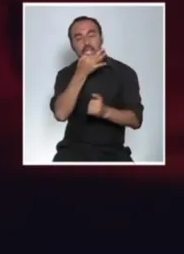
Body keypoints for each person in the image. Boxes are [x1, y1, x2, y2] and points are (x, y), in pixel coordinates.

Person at [49, 16, 144, 162]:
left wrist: (104, 111)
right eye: (78, 38)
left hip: (114, 153)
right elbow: (61, 114)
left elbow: (136, 120)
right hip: (72, 151)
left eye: (91, 35)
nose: (86, 42)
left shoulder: (124, 72)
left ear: (101, 38)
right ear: (72, 45)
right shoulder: (65, 74)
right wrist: (81, 73)